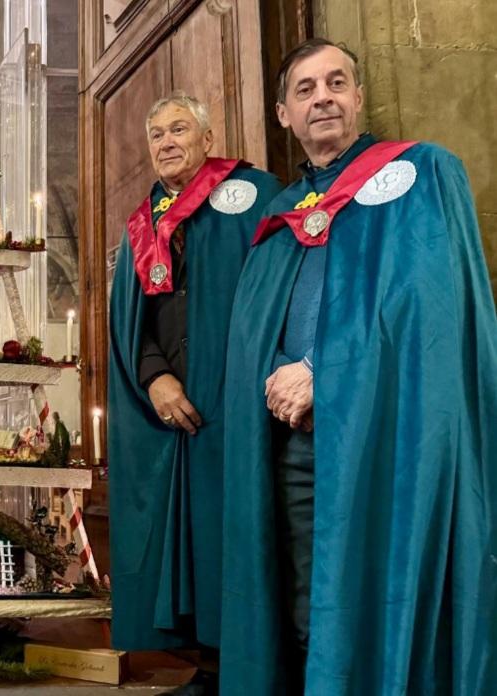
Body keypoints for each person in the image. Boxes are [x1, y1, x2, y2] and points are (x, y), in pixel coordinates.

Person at [222, 38, 497, 695]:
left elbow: (428, 310)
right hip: (291, 444)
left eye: (335, 82)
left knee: (381, 589)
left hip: (389, 442)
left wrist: (323, 372)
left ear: (358, 97)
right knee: (306, 603)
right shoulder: (278, 214)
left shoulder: (420, 174)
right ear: (283, 114)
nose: (322, 97)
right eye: (305, 89)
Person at [106, 93, 281, 654]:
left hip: (238, 404)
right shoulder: (144, 221)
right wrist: (154, 376)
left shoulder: (253, 195)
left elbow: (287, 285)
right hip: (169, 409)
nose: (166, 142)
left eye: (178, 129)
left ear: (207, 139)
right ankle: (190, 662)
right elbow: (131, 320)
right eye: (156, 134)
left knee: (235, 537)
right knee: (170, 538)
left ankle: (244, 664)